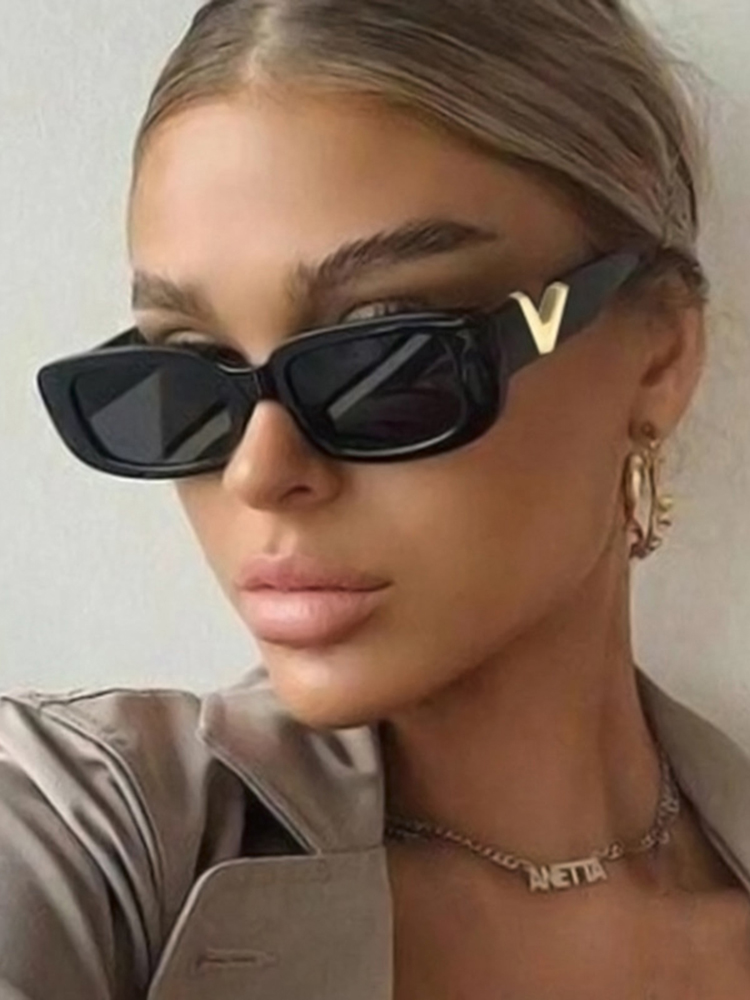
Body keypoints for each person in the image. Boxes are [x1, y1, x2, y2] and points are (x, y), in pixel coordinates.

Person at [10, 0, 750, 996]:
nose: (258, 471)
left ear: (657, 355)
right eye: (186, 371)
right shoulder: (87, 830)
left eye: (384, 354)